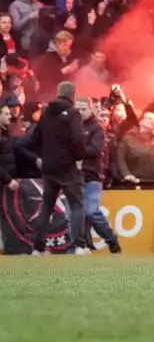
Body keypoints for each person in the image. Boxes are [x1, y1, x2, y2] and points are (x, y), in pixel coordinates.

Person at [21, 82, 87, 254]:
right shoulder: (73, 114)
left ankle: (38, 248)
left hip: (49, 167)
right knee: (77, 205)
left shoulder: (46, 113)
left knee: (46, 207)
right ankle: (80, 246)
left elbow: (35, 138)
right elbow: (78, 138)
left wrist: (41, 156)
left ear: (58, 93)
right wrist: (79, 157)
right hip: (68, 168)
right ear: (73, 95)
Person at [80, 99, 121, 253]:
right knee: (75, 213)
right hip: (74, 176)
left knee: (91, 210)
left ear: (90, 109)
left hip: (92, 175)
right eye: (77, 108)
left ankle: (111, 239)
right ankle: (81, 244)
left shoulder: (97, 128)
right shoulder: (71, 126)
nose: (80, 111)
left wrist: (76, 150)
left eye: (83, 108)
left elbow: (95, 150)